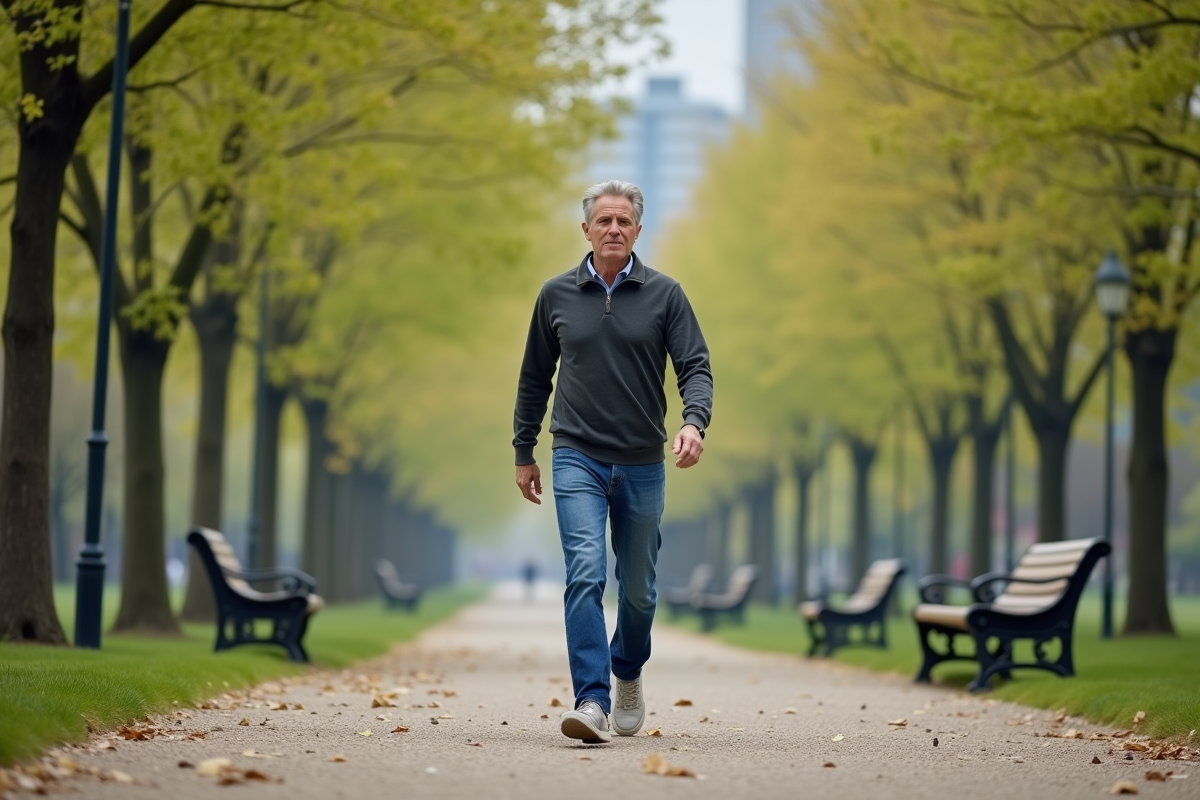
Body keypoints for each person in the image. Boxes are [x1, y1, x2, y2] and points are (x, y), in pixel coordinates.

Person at [512, 180, 713, 743]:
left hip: (643, 460)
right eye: (604, 221)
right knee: (585, 572)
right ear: (586, 230)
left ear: (638, 231)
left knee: (639, 588)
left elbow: (695, 366)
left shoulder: (666, 295)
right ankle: (592, 700)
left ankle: (627, 669)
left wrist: (694, 423)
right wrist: (523, 449)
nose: (614, 230)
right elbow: (534, 378)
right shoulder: (555, 295)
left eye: (624, 221)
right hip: (575, 453)